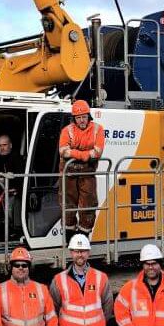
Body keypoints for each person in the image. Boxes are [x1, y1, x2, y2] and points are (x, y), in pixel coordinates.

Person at [58, 100, 105, 238]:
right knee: (67, 205)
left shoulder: (98, 129)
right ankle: (69, 237)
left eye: (84, 116)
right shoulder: (67, 130)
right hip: (68, 174)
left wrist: (74, 154)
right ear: (74, 118)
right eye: (78, 118)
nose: (81, 120)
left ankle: (83, 237)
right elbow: (63, 151)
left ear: (88, 116)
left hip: (87, 174)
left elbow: (97, 152)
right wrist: (84, 155)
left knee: (88, 205)